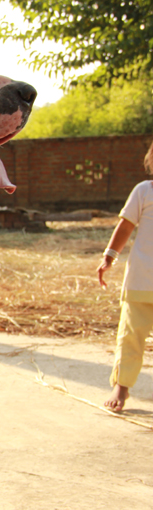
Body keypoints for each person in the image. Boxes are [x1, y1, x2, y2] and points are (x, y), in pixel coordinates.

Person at [98, 142, 153, 413]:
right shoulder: (144, 191)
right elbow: (126, 225)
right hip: (142, 281)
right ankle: (121, 386)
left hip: (142, 281)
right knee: (131, 336)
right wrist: (109, 255)